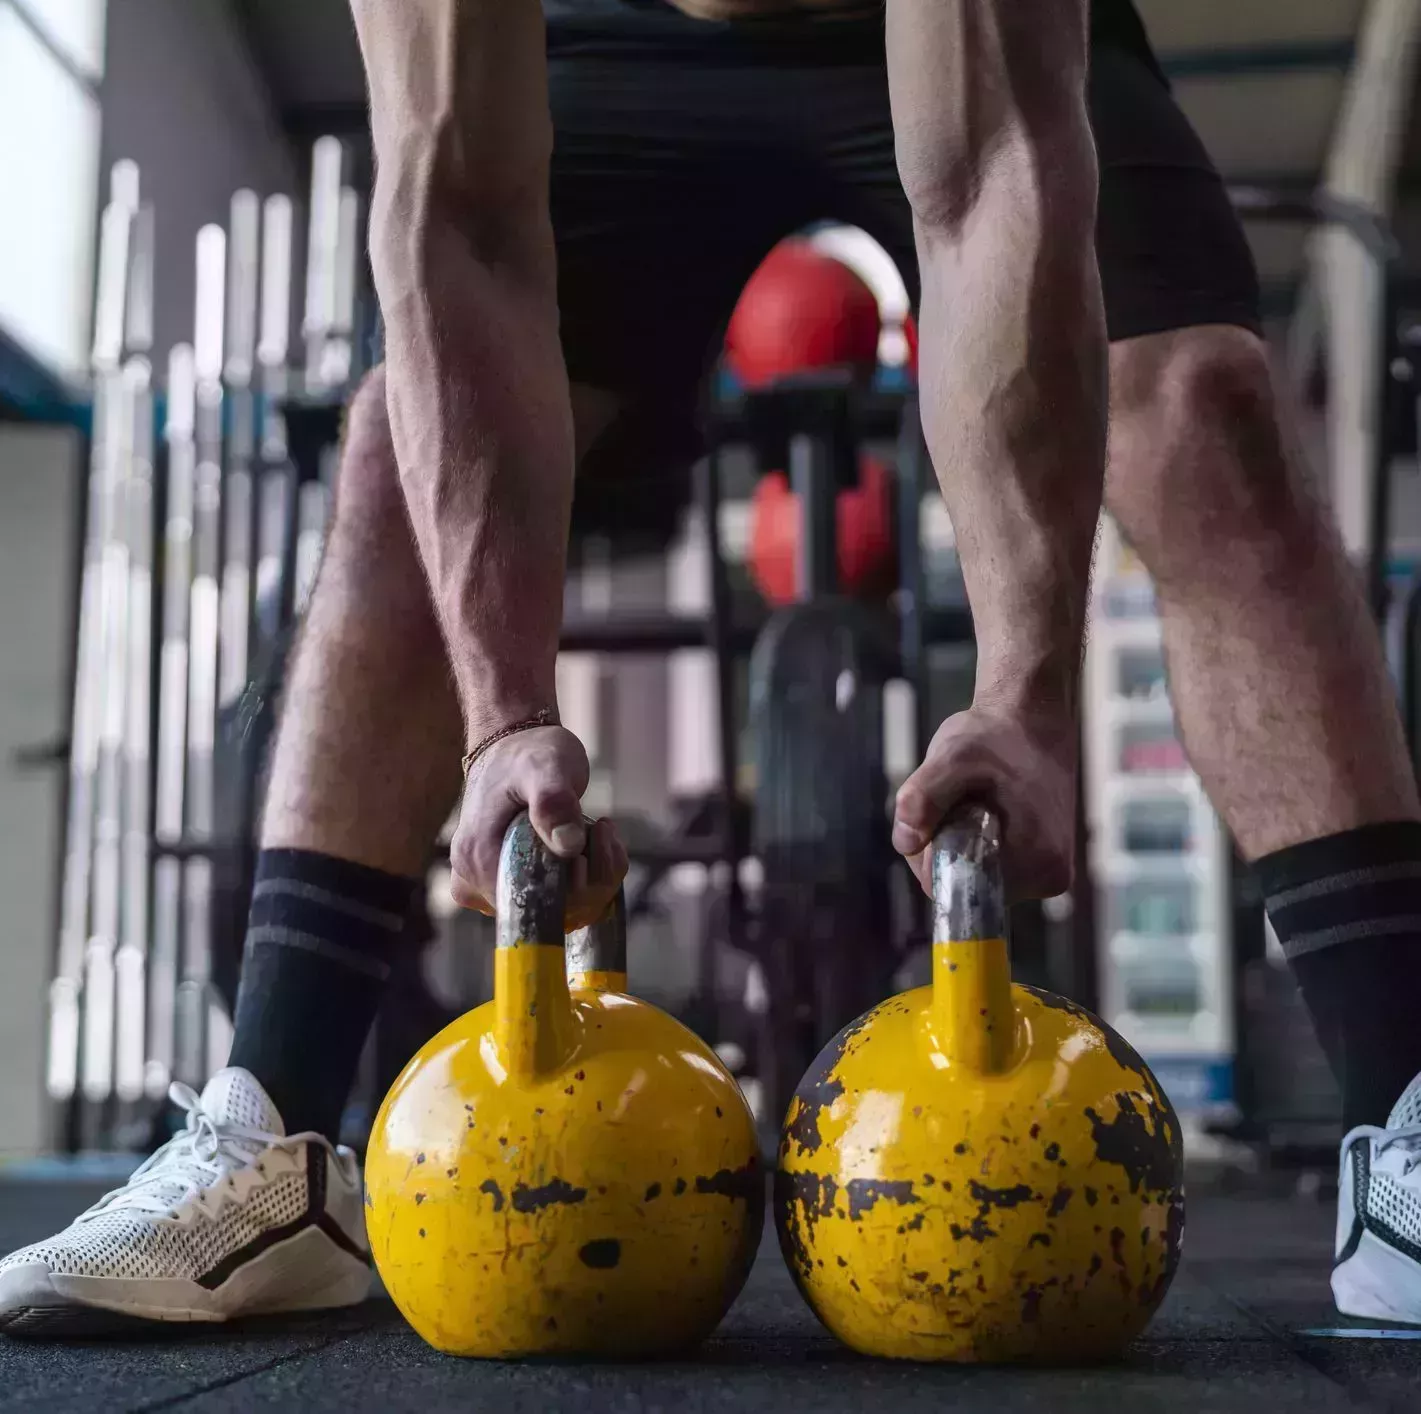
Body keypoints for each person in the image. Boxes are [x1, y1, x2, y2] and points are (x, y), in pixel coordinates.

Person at [2, 0, 1419, 1335]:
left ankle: (1404, 1122)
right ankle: (275, 1144)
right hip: (602, 45)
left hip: (947, 52)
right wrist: (505, 717)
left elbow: (991, 178)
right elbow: (462, 220)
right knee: (390, 459)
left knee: (1203, 407)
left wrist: (1025, 696)